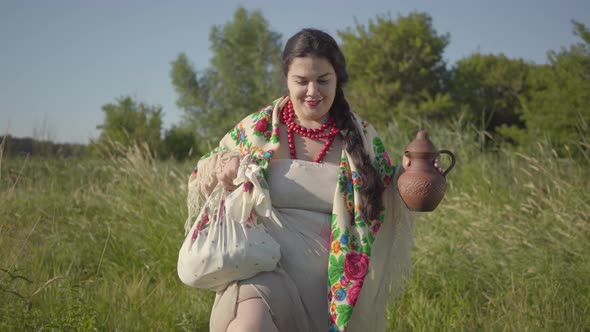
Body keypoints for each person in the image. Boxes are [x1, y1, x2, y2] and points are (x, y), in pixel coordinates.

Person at [182, 28, 441, 332]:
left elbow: (387, 192)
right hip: (262, 272)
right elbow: (201, 175)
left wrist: (413, 172)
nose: (313, 92)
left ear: (338, 79)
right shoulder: (258, 129)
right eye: (301, 81)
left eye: (323, 80)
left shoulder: (362, 137)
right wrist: (226, 167)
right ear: (286, 80)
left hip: (330, 293)